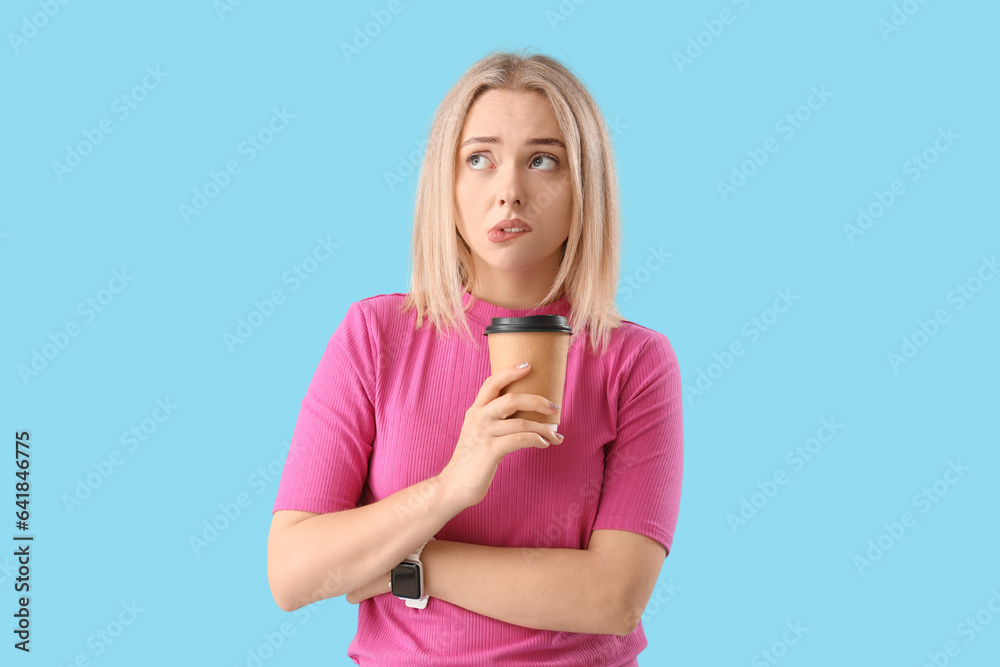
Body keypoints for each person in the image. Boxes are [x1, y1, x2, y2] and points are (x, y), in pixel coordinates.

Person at [266, 48, 683, 666]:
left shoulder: (636, 362)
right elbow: (294, 575)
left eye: (542, 160)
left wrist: (408, 565)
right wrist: (450, 488)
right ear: (448, 182)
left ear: (584, 186)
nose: (509, 192)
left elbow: (613, 598)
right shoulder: (374, 336)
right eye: (479, 159)